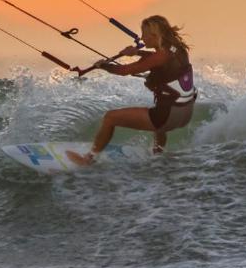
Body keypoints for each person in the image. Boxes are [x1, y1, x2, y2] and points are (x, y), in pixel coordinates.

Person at [67, 15, 197, 166]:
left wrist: (104, 66)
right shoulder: (178, 49)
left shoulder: (161, 55)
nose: (142, 38)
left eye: (144, 34)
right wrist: (137, 53)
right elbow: (159, 58)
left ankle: (88, 159)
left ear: (155, 35)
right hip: (185, 113)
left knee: (110, 118)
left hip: (167, 117)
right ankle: (158, 154)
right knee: (161, 114)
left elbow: (127, 70)